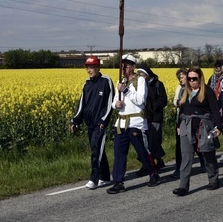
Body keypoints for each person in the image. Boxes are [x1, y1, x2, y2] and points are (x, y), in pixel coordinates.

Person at [107, 54, 160, 194]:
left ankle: (153, 172)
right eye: (122, 65)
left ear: (133, 67)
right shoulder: (121, 81)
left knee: (142, 151)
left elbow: (140, 100)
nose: (123, 68)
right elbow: (114, 103)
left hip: (136, 123)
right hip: (121, 122)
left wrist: (125, 90)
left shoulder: (140, 81)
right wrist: (116, 105)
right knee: (119, 153)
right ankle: (118, 182)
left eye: (126, 66)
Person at [172, 66, 223, 196]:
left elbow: (215, 110)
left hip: (203, 126)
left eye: (194, 78)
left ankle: (213, 179)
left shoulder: (207, 92)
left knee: (207, 154)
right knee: (186, 156)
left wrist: (219, 127)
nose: (191, 81)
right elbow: (182, 111)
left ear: (200, 78)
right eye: (189, 79)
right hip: (186, 126)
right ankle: (183, 186)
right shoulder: (185, 91)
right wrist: (179, 125)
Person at [71, 56, 114, 189]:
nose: (89, 70)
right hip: (89, 123)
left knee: (96, 150)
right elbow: (82, 104)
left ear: (98, 67)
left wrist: (104, 120)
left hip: (100, 123)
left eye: (92, 67)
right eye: (88, 67)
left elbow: (110, 102)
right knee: (98, 149)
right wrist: (75, 120)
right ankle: (105, 177)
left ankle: (94, 178)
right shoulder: (87, 84)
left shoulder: (106, 81)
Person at [171, 68, 205, 178]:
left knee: (196, 144)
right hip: (181, 118)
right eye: (178, 78)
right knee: (180, 146)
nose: (179, 80)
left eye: (181, 77)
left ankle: (204, 162)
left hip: (193, 120)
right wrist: (179, 102)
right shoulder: (179, 88)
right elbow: (175, 101)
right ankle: (179, 168)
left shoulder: (195, 90)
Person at [137, 64, 168, 170]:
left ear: (147, 74)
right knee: (146, 141)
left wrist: (153, 108)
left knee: (153, 141)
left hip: (155, 117)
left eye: (141, 74)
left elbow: (163, 100)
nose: (139, 76)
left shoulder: (158, 84)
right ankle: (157, 161)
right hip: (144, 118)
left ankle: (148, 165)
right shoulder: (141, 86)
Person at [208, 60, 223, 165]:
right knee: (215, 131)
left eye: (219, 68)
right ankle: (215, 153)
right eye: (216, 67)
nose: (217, 70)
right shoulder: (212, 79)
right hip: (215, 108)